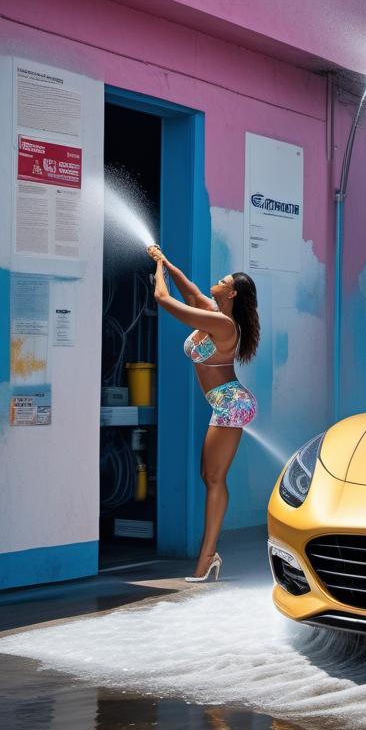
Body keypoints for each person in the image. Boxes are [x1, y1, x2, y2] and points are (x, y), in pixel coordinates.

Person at [148, 245, 259, 582]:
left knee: (213, 478)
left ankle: (207, 557)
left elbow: (165, 301)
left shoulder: (223, 326)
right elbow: (191, 291)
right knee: (207, 476)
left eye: (223, 280)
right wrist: (165, 261)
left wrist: (158, 274)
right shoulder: (213, 313)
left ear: (232, 292)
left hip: (231, 404)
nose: (217, 281)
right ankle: (209, 556)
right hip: (224, 403)